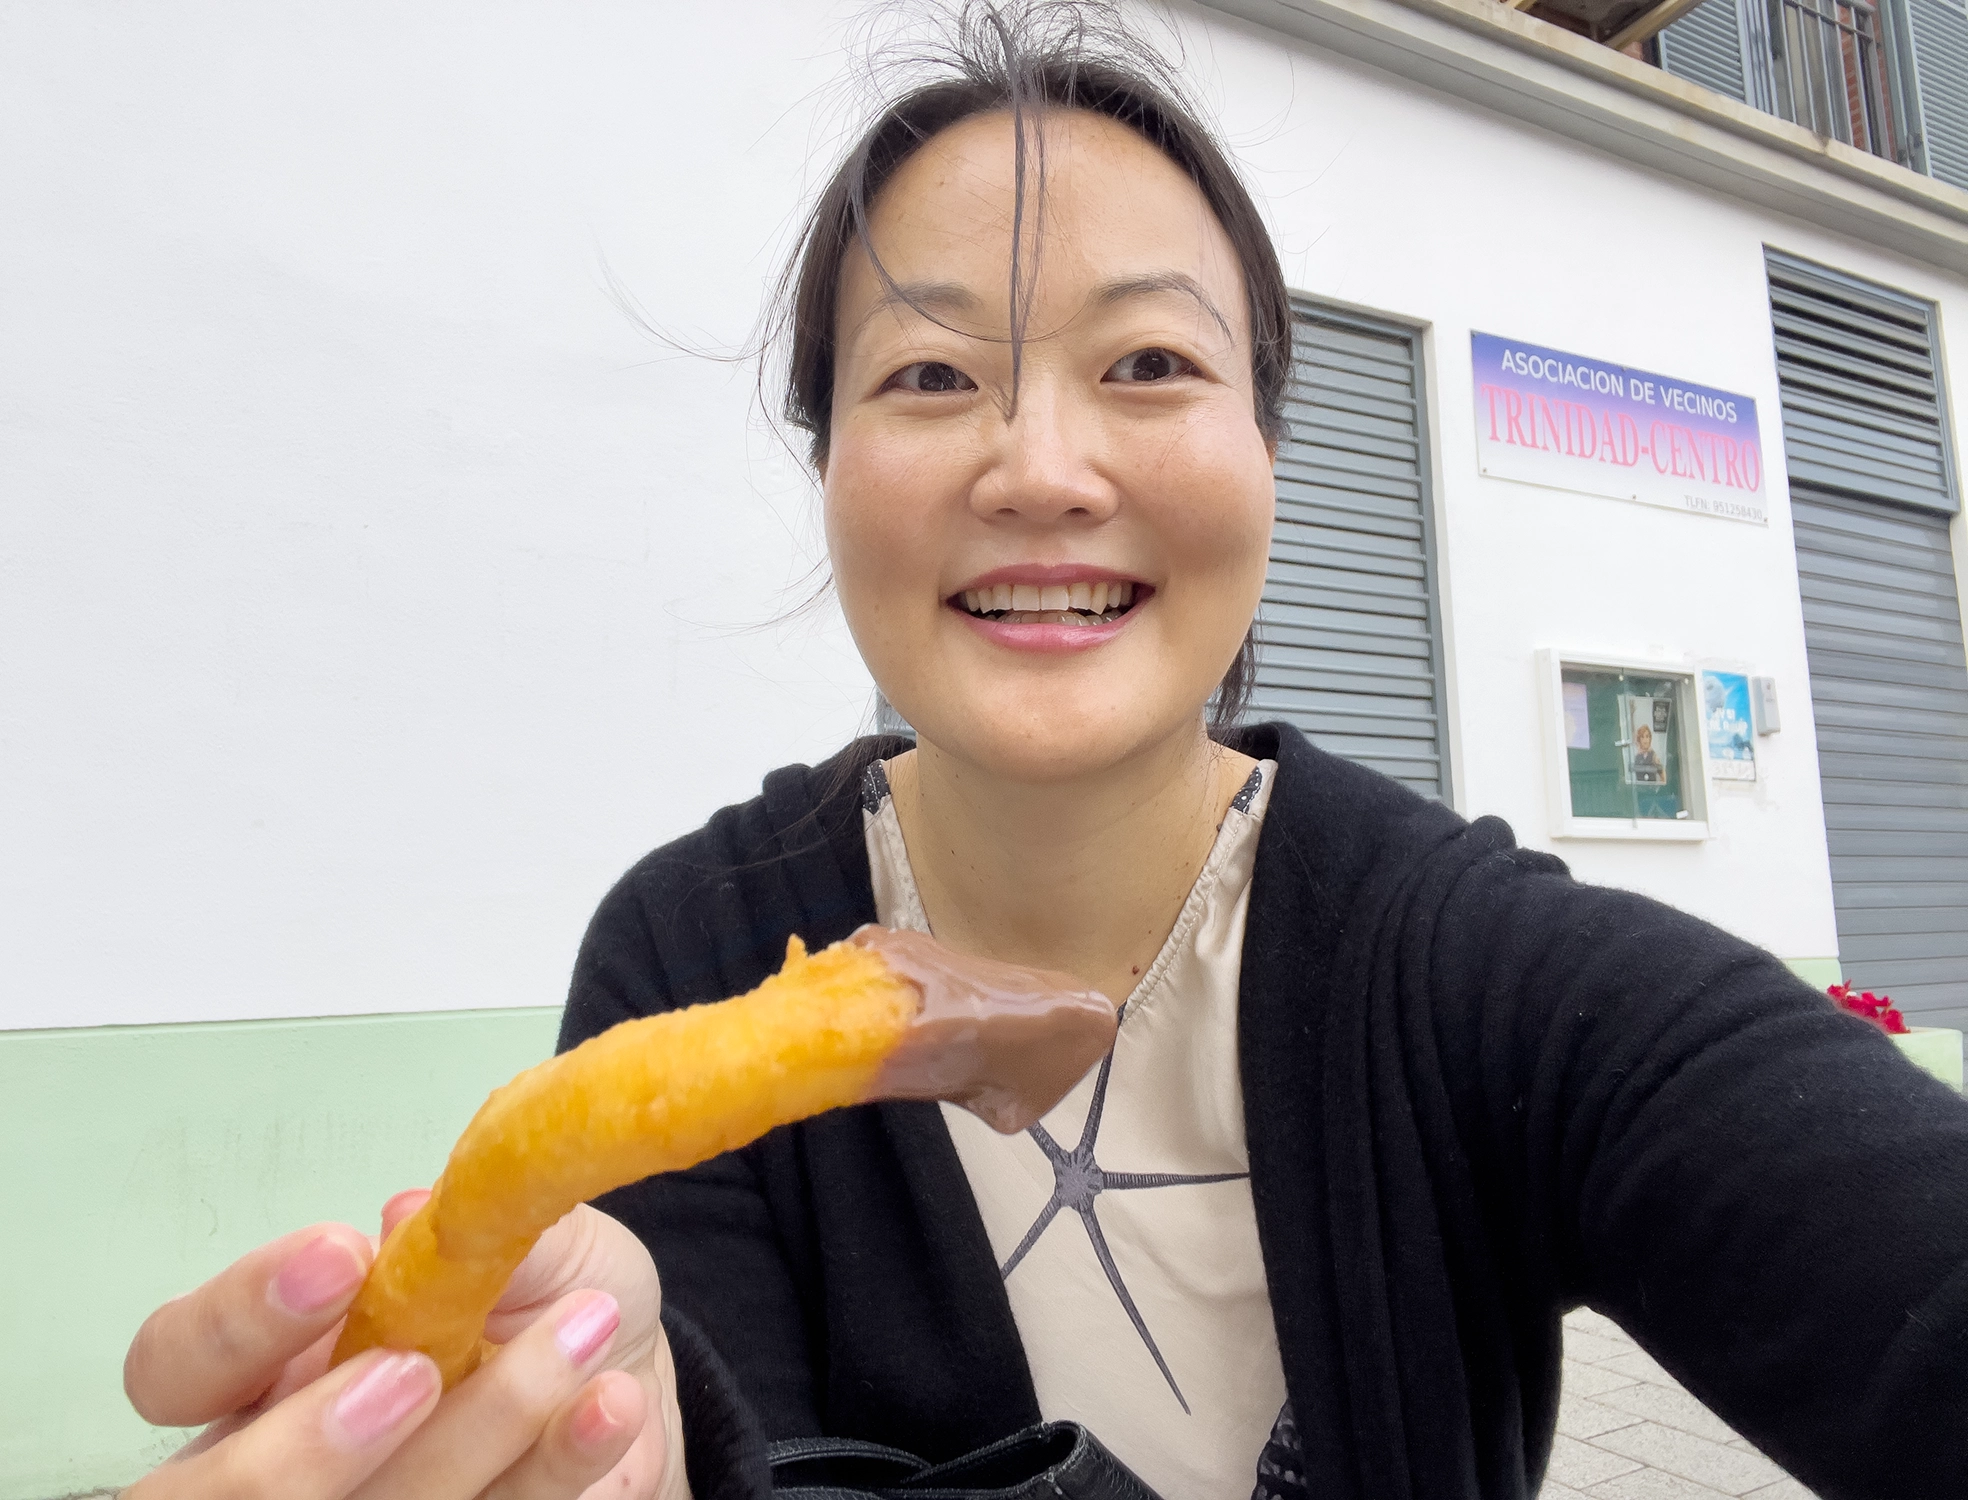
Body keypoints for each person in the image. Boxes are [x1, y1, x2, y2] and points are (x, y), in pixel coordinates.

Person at [121, 5, 1968, 1498]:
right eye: (927, 376)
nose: (1041, 468)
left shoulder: (1473, 973)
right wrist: (617, 1419)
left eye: (1151, 367)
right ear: (828, 467)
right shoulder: (682, 955)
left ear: (1271, 446)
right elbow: (679, 1415)